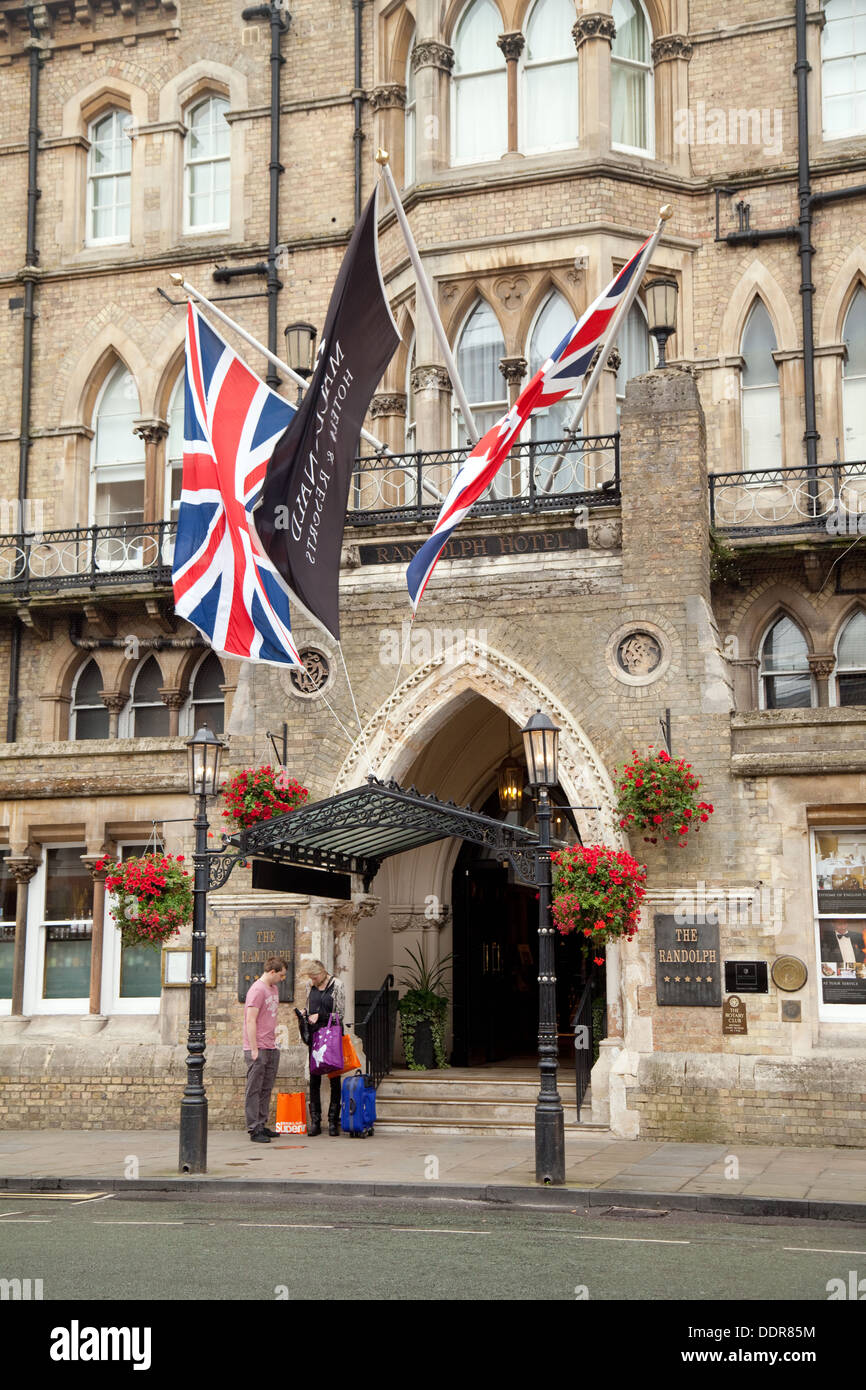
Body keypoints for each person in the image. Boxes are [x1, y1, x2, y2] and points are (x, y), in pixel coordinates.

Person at [243, 956, 288, 1143]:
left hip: (271, 1045)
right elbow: (250, 1020)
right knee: (254, 1089)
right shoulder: (256, 990)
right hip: (258, 1047)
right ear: (272, 972)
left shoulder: (274, 989)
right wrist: (254, 1048)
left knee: (266, 1087)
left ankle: (262, 1123)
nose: (283, 978)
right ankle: (254, 1129)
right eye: (281, 975)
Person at [302, 959, 346, 1136]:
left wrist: (320, 1015)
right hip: (314, 1036)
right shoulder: (309, 986)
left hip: (332, 1037)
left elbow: (340, 1015)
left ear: (321, 973)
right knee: (314, 1079)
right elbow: (308, 1006)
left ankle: (334, 1121)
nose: (312, 980)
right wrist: (305, 1015)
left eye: (314, 977)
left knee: (334, 1078)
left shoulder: (337, 985)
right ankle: (316, 1121)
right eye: (310, 978)